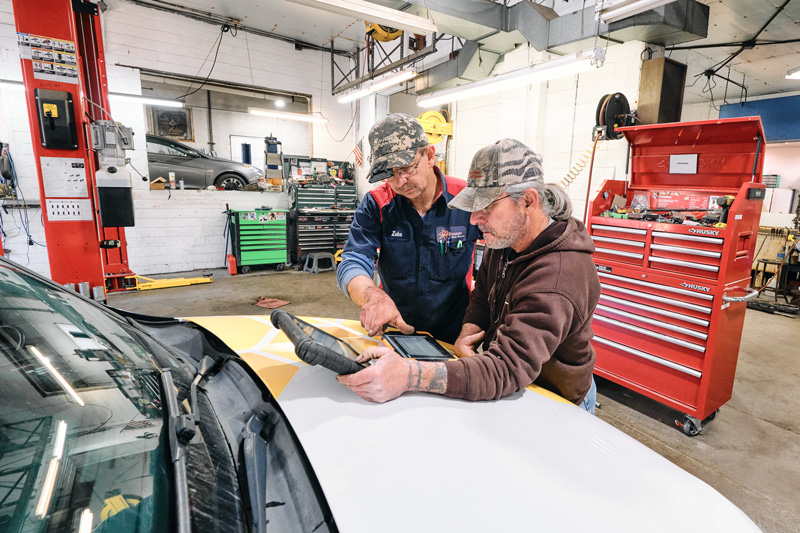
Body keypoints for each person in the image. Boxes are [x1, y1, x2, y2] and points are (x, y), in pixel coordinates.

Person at [337, 139, 601, 412]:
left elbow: (505, 369)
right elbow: (484, 297)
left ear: (528, 201)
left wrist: (409, 375)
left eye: (486, 207)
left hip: (556, 401)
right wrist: (469, 331)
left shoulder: (558, 276)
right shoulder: (505, 241)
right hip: (520, 387)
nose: (473, 220)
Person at [336, 113, 480, 344]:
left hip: (452, 336)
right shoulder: (377, 203)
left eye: (405, 169)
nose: (400, 182)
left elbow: (505, 250)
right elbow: (354, 259)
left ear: (430, 155)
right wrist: (373, 297)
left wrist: (480, 318)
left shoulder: (466, 199)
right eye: (389, 174)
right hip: (393, 329)